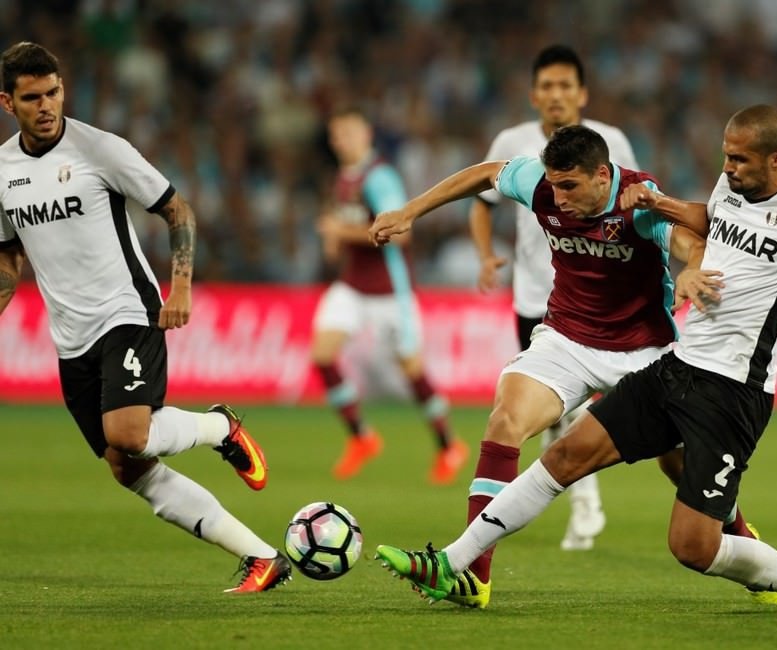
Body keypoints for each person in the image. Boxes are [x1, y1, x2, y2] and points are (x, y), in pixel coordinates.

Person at [373, 105, 777, 613]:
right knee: (564, 455)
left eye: (738, 157)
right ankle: (453, 562)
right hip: (674, 367)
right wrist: (672, 211)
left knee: (693, 545)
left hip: (732, 392)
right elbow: (712, 219)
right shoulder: (729, 187)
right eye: (724, 155)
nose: (725, 167)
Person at [369, 124, 775, 609]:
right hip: (567, 339)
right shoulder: (539, 183)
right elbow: (483, 175)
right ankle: (473, 578)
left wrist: (690, 268)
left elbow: (689, 238)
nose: (558, 199)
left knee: (682, 467)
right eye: (554, 185)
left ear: (603, 176)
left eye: (570, 187)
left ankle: (750, 554)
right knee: (505, 421)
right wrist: (408, 211)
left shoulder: (636, 200)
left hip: (644, 352)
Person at [0, 42, 291, 593]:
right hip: (70, 337)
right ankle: (261, 556)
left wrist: (180, 284)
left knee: (129, 434)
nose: (47, 106)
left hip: (128, 312)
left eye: (54, 92)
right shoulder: (2, 170)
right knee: (125, 466)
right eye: (32, 97)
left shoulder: (102, 149)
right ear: (7, 103)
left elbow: (176, 208)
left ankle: (218, 426)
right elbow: (9, 251)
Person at [469, 44, 639, 552]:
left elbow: (636, 206)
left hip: (605, 307)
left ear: (582, 93)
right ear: (534, 95)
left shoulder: (612, 142)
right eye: (547, 87)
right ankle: (584, 506)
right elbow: (481, 201)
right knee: (553, 411)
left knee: (609, 413)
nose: (556, 95)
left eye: (566, 86)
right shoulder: (513, 142)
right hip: (536, 300)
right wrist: (484, 254)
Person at [312, 106, 468, 484]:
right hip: (352, 285)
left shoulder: (379, 177)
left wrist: (339, 232)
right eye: (336, 134)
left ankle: (449, 445)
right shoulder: (344, 178)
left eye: (349, 132)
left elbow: (401, 234)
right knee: (322, 355)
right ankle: (362, 437)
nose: (341, 140)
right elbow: (348, 225)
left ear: (366, 135)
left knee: (412, 369)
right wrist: (335, 240)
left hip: (389, 291)